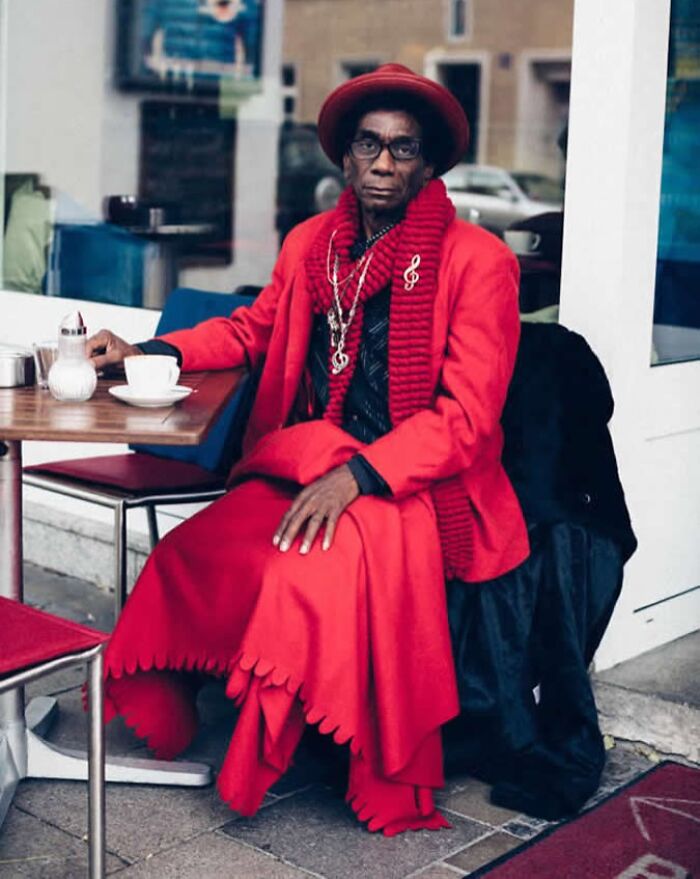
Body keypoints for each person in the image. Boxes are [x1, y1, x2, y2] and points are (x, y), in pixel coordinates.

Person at [87, 63, 532, 835]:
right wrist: (148, 350)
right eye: (370, 145)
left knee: (298, 582)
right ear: (345, 157)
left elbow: (468, 419)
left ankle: (273, 747)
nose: (385, 163)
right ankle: (184, 706)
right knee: (189, 553)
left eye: (403, 148)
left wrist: (360, 475)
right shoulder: (311, 246)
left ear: (428, 164)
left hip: (411, 483)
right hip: (307, 457)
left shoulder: (477, 260)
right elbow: (249, 331)